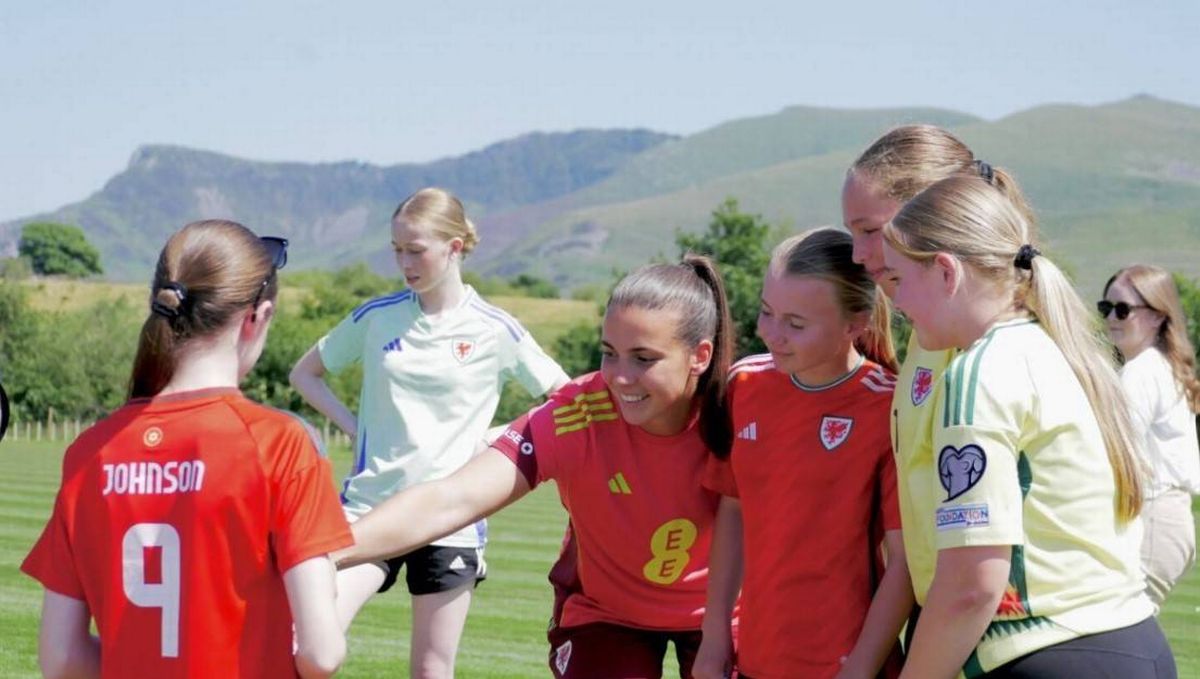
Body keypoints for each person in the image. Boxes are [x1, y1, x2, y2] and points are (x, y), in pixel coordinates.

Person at [331, 255, 735, 679]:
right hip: (607, 617)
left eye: (644, 358)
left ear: (700, 355)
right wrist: (328, 551)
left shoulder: (738, 414)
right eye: (609, 353)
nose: (619, 377)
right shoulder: (578, 414)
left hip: (723, 614)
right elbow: (453, 498)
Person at [22, 220, 351, 679]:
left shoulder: (89, 452)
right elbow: (322, 654)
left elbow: (61, 658)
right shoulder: (279, 442)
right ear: (257, 317)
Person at [881, 169, 1173, 678]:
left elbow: (972, 586)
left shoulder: (978, 372)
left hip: (1048, 655)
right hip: (1132, 643)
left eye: (899, 280)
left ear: (946, 273)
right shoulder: (1059, 348)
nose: (896, 303)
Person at [289, 187, 570, 678]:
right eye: (397, 249)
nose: (404, 262)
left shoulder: (495, 329)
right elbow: (304, 374)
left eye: (415, 250)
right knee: (310, 653)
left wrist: (497, 439)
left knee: (432, 669)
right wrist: (354, 428)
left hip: (450, 520)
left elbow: (564, 397)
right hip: (369, 509)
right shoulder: (376, 317)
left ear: (454, 247)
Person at [694, 228, 910, 679]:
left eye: (796, 324)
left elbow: (905, 563)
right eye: (767, 312)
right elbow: (733, 512)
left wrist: (860, 669)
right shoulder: (744, 386)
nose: (772, 335)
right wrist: (715, 638)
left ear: (855, 324)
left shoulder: (889, 407)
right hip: (756, 659)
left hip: (845, 663)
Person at [1101, 264, 1200, 609]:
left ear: (1158, 317)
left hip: (1155, 518)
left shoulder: (1141, 371)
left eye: (1123, 309)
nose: (1112, 317)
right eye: (1106, 307)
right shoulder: (1158, 366)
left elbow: (1112, 452)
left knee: (1120, 628)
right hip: (1168, 519)